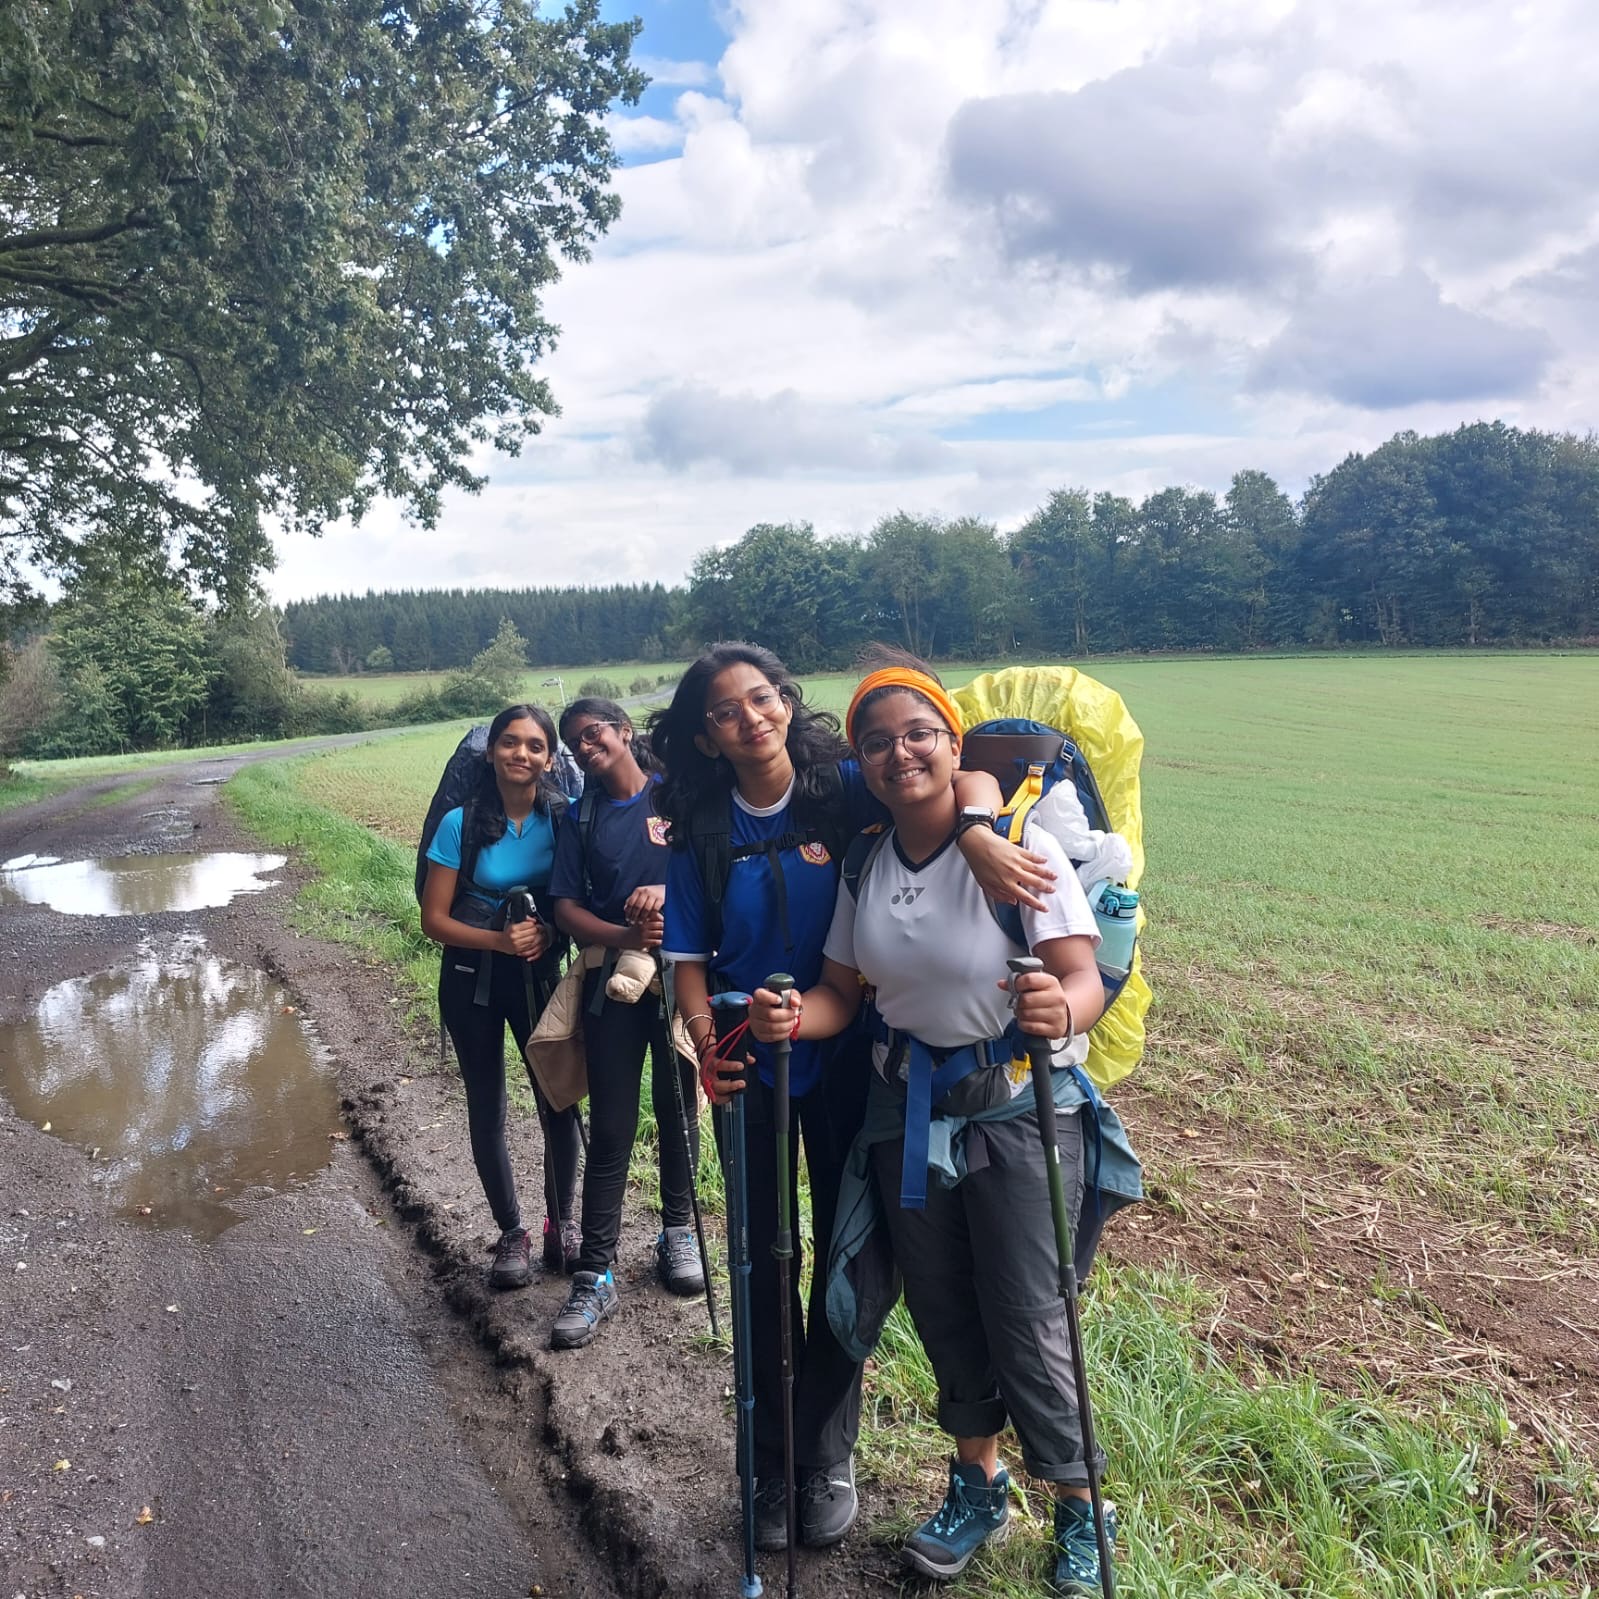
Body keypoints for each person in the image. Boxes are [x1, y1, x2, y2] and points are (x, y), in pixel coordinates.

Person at [746, 652, 1142, 1598]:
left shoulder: (1021, 849)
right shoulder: (866, 860)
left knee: (1029, 1315)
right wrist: (791, 1016)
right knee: (943, 1309)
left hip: (1017, 1108)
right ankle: (977, 1486)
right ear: (861, 761)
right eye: (876, 742)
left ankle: (1080, 1509)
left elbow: (1080, 976)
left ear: (950, 743)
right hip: (907, 1114)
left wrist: (1063, 1007)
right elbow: (844, 991)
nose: (899, 754)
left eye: (917, 733)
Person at [650, 642, 1055, 1553]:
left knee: (844, 1260)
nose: (750, 718)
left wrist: (975, 833)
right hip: (747, 1059)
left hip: (854, 1058)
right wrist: (706, 1048)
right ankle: (767, 1462)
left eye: (762, 697)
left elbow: (964, 772)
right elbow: (686, 963)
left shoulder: (843, 785)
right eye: (725, 711)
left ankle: (824, 1456)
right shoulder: (701, 823)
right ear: (707, 737)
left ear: (786, 701)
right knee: (760, 1261)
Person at [546, 697, 705, 1350]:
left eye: (594, 734)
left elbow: (711, 871)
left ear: (623, 731)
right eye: (575, 743)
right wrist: (624, 934)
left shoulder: (677, 797)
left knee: (678, 1112)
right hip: (610, 984)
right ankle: (595, 1273)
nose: (585, 748)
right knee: (611, 1127)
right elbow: (564, 906)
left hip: (678, 981)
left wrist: (670, 896)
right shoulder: (580, 816)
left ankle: (677, 1234)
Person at [420, 703, 583, 1289]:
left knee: (557, 1100)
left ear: (550, 759)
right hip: (471, 979)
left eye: (535, 745)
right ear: (490, 752)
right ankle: (512, 1233)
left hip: (540, 979)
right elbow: (434, 920)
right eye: (510, 742)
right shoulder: (459, 824)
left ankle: (561, 1223)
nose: (521, 754)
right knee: (487, 1103)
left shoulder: (562, 819)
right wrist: (500, 940)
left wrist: (549, 934)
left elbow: (576, 898)